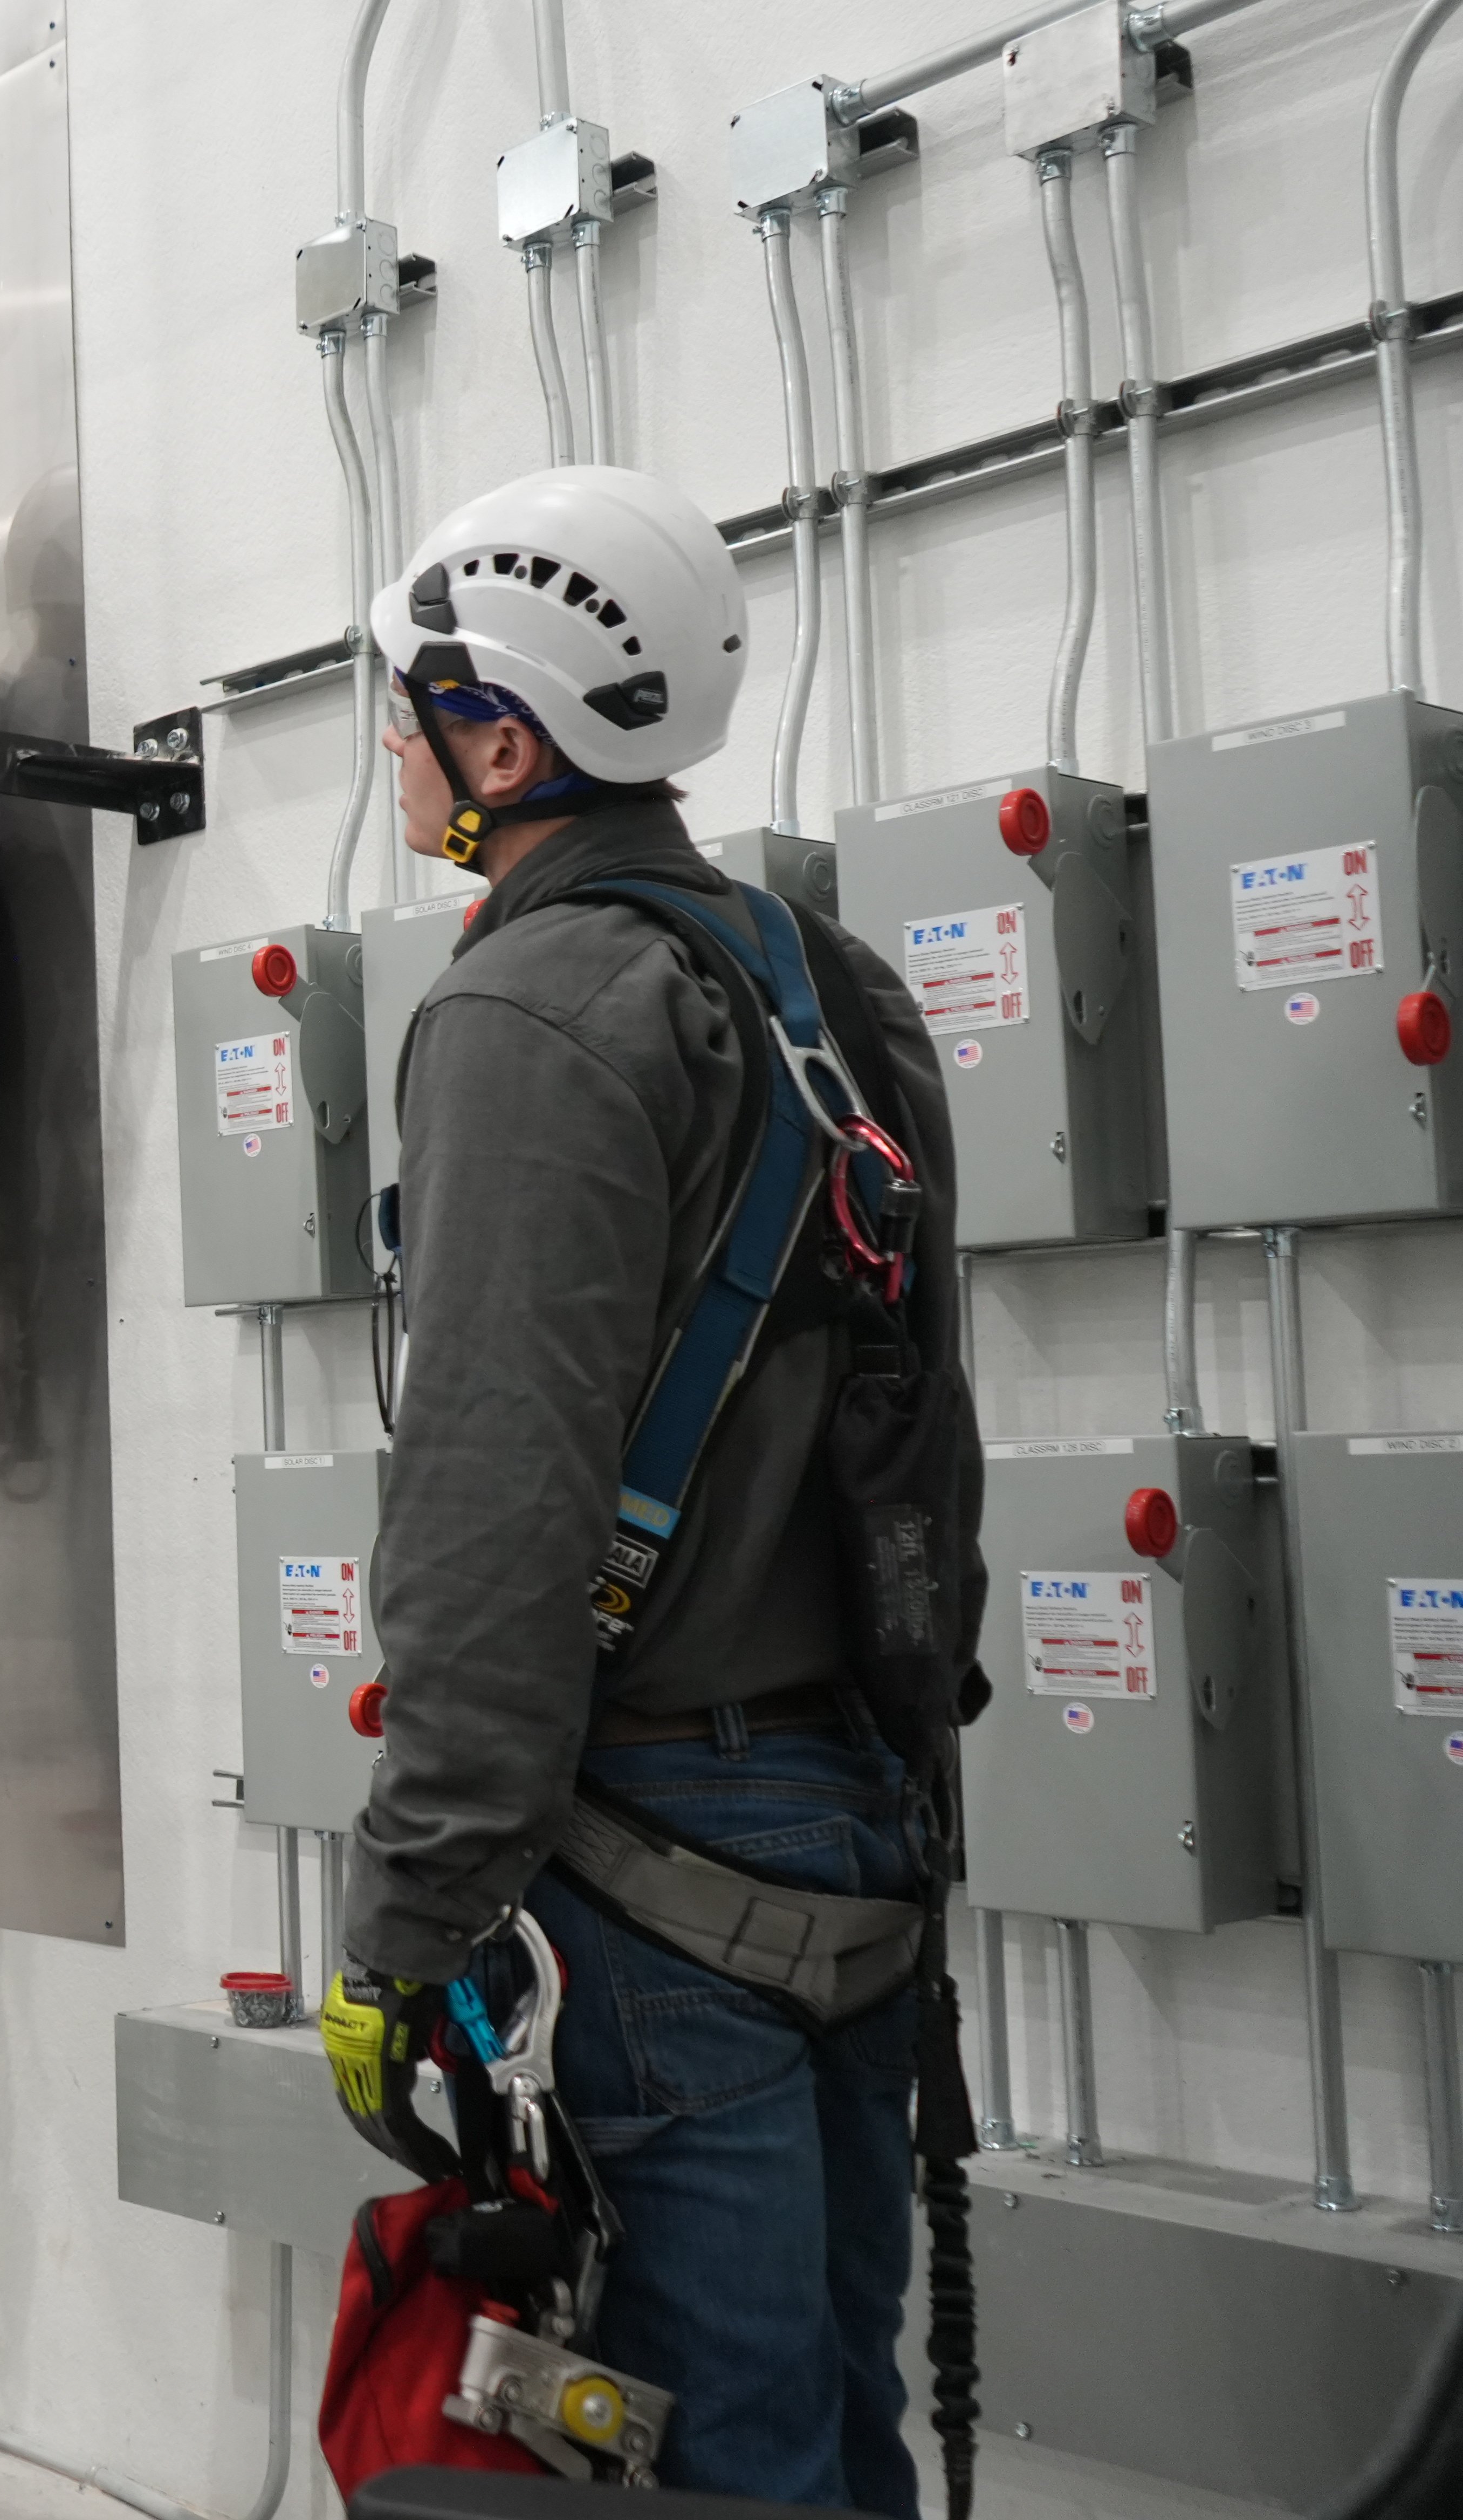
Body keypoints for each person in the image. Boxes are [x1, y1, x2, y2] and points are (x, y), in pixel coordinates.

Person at [313, 467, 977, 2510]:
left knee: (712, 2456)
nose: (400, 750)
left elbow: (496, 1495)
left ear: (504, 739)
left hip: (654, 1845)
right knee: (824, 2427)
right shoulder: (835, 989)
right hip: (857, 1822)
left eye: (416, 708)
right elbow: (926, 1435)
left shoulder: (530, 1003)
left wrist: (416, 1906)